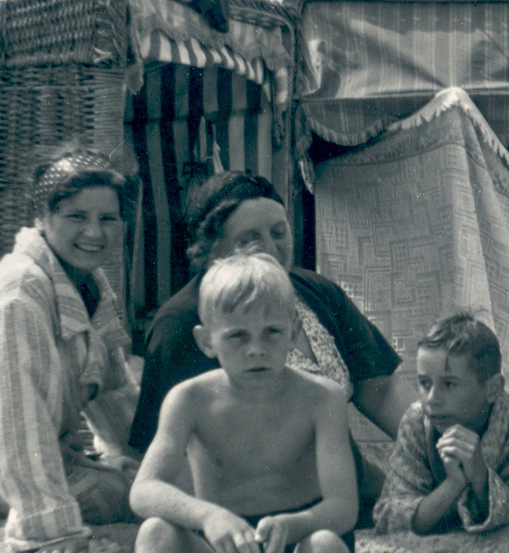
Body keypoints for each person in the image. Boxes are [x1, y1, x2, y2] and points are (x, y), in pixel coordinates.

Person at [118, 254, 418, 553]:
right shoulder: (189, 399)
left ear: (295, 331)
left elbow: (342, 508)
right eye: (237, 336)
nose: (257, 350)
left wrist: (293, 525)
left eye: (272, 333)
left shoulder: (321, 398)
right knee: (155, 534)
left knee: (326, 546)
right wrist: (210, 516)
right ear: (205, 341)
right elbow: (143, 490)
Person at [129, 172, 416, 523]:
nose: (271, 248)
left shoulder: (315, 292)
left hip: (340, 486)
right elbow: (170, 456)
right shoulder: (182, 324)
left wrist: (433, 446)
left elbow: (381, 389)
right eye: (250, 239)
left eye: (278, 232)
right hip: (245, 510)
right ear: (213, 248)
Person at [0, 147, 140, 553]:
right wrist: (51, 529)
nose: (94, 233)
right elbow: (20, 426)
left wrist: (143, 457)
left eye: (107, 219)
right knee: (124, 497)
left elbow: (113, 390)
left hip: (35, 450)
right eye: (76, 216)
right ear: (42, 217)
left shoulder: (87, 281)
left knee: (144, 484)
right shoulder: (20, 297)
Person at [373, 312, 509, 535]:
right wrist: (453, 484)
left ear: (493, 388)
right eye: (425, 383)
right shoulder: (416, 422)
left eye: (449, 384)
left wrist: (481, 477)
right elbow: (392, 515)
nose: (432, 398)